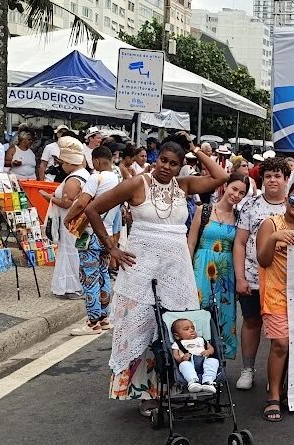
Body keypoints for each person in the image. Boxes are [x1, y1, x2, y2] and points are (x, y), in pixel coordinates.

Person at [84, 141, 227, 416]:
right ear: (156, 158)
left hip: (176, 269)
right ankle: (145, 394)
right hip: (140, 269)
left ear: (180, 165)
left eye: (174, 163)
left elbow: (220, 177)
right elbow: (93, 209)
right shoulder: (137, 183)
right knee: (142, 328)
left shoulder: (183, 185)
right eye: (163, 160)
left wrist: (196, 150)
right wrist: (111, 247)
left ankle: (173, 388)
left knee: (174, 327)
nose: (167, 167)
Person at [233, 157, 292, 390]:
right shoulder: (250, 205)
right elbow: (240, 242)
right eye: (268, 176)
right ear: (262, 179)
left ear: (287, 179)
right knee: (251, 321)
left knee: (283, 331)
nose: (273, 180)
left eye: (278, 176)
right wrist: (240, 277)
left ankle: (278, 378)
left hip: (285, 281)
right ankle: (247, 369)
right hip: (253, 276)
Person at [257, 182, 294, 422]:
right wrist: (273, 239)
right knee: (280, 344)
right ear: (287, 198)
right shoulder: (270, 223)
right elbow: (263, 260)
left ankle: (286, 390)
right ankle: (272, 395)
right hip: (275, 292)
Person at [187, 173, 250, 360]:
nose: (236, 195)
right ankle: (195, 359)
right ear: (226, 186)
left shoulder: (240, 217)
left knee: (224, 315)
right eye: (234, 189)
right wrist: (186, 270)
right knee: (199, 312)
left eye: (242, 193)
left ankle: (217, 364)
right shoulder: (204, 210)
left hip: (226, 272)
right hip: (201, 267)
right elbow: (191, 243)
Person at [65, 146, 121, 335]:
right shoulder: (118, 179)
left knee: (89, 277)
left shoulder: (96, 178)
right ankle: (104, 318)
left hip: (90, 234)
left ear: (97, 161)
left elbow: (81, 202)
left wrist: (68, 218)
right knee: (104, 274)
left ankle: (92, 322)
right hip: (108, 235)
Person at [41, 137, 90, 299]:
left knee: (69, 252)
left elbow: (66, 203)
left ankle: (70, 287)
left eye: (62, 162)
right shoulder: (84, 174)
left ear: (69, 163)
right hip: (79, 221)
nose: (61, 165)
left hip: (69, 221)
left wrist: (49, 198)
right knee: (75, 251)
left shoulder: (73, 180)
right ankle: (75, 285)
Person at [170, 318, 218, 394]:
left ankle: (208, 381)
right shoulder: (178, 344)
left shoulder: (201, 339)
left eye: (193, 328)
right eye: (186, 329)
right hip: (189, 363)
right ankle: (193, 381)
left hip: (204, 362)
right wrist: (182, 359)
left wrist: (208, 351)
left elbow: (211, 348)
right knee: (183, 365)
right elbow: (175, 356)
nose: (191, 330)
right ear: (177, 336)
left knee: (214, 361)